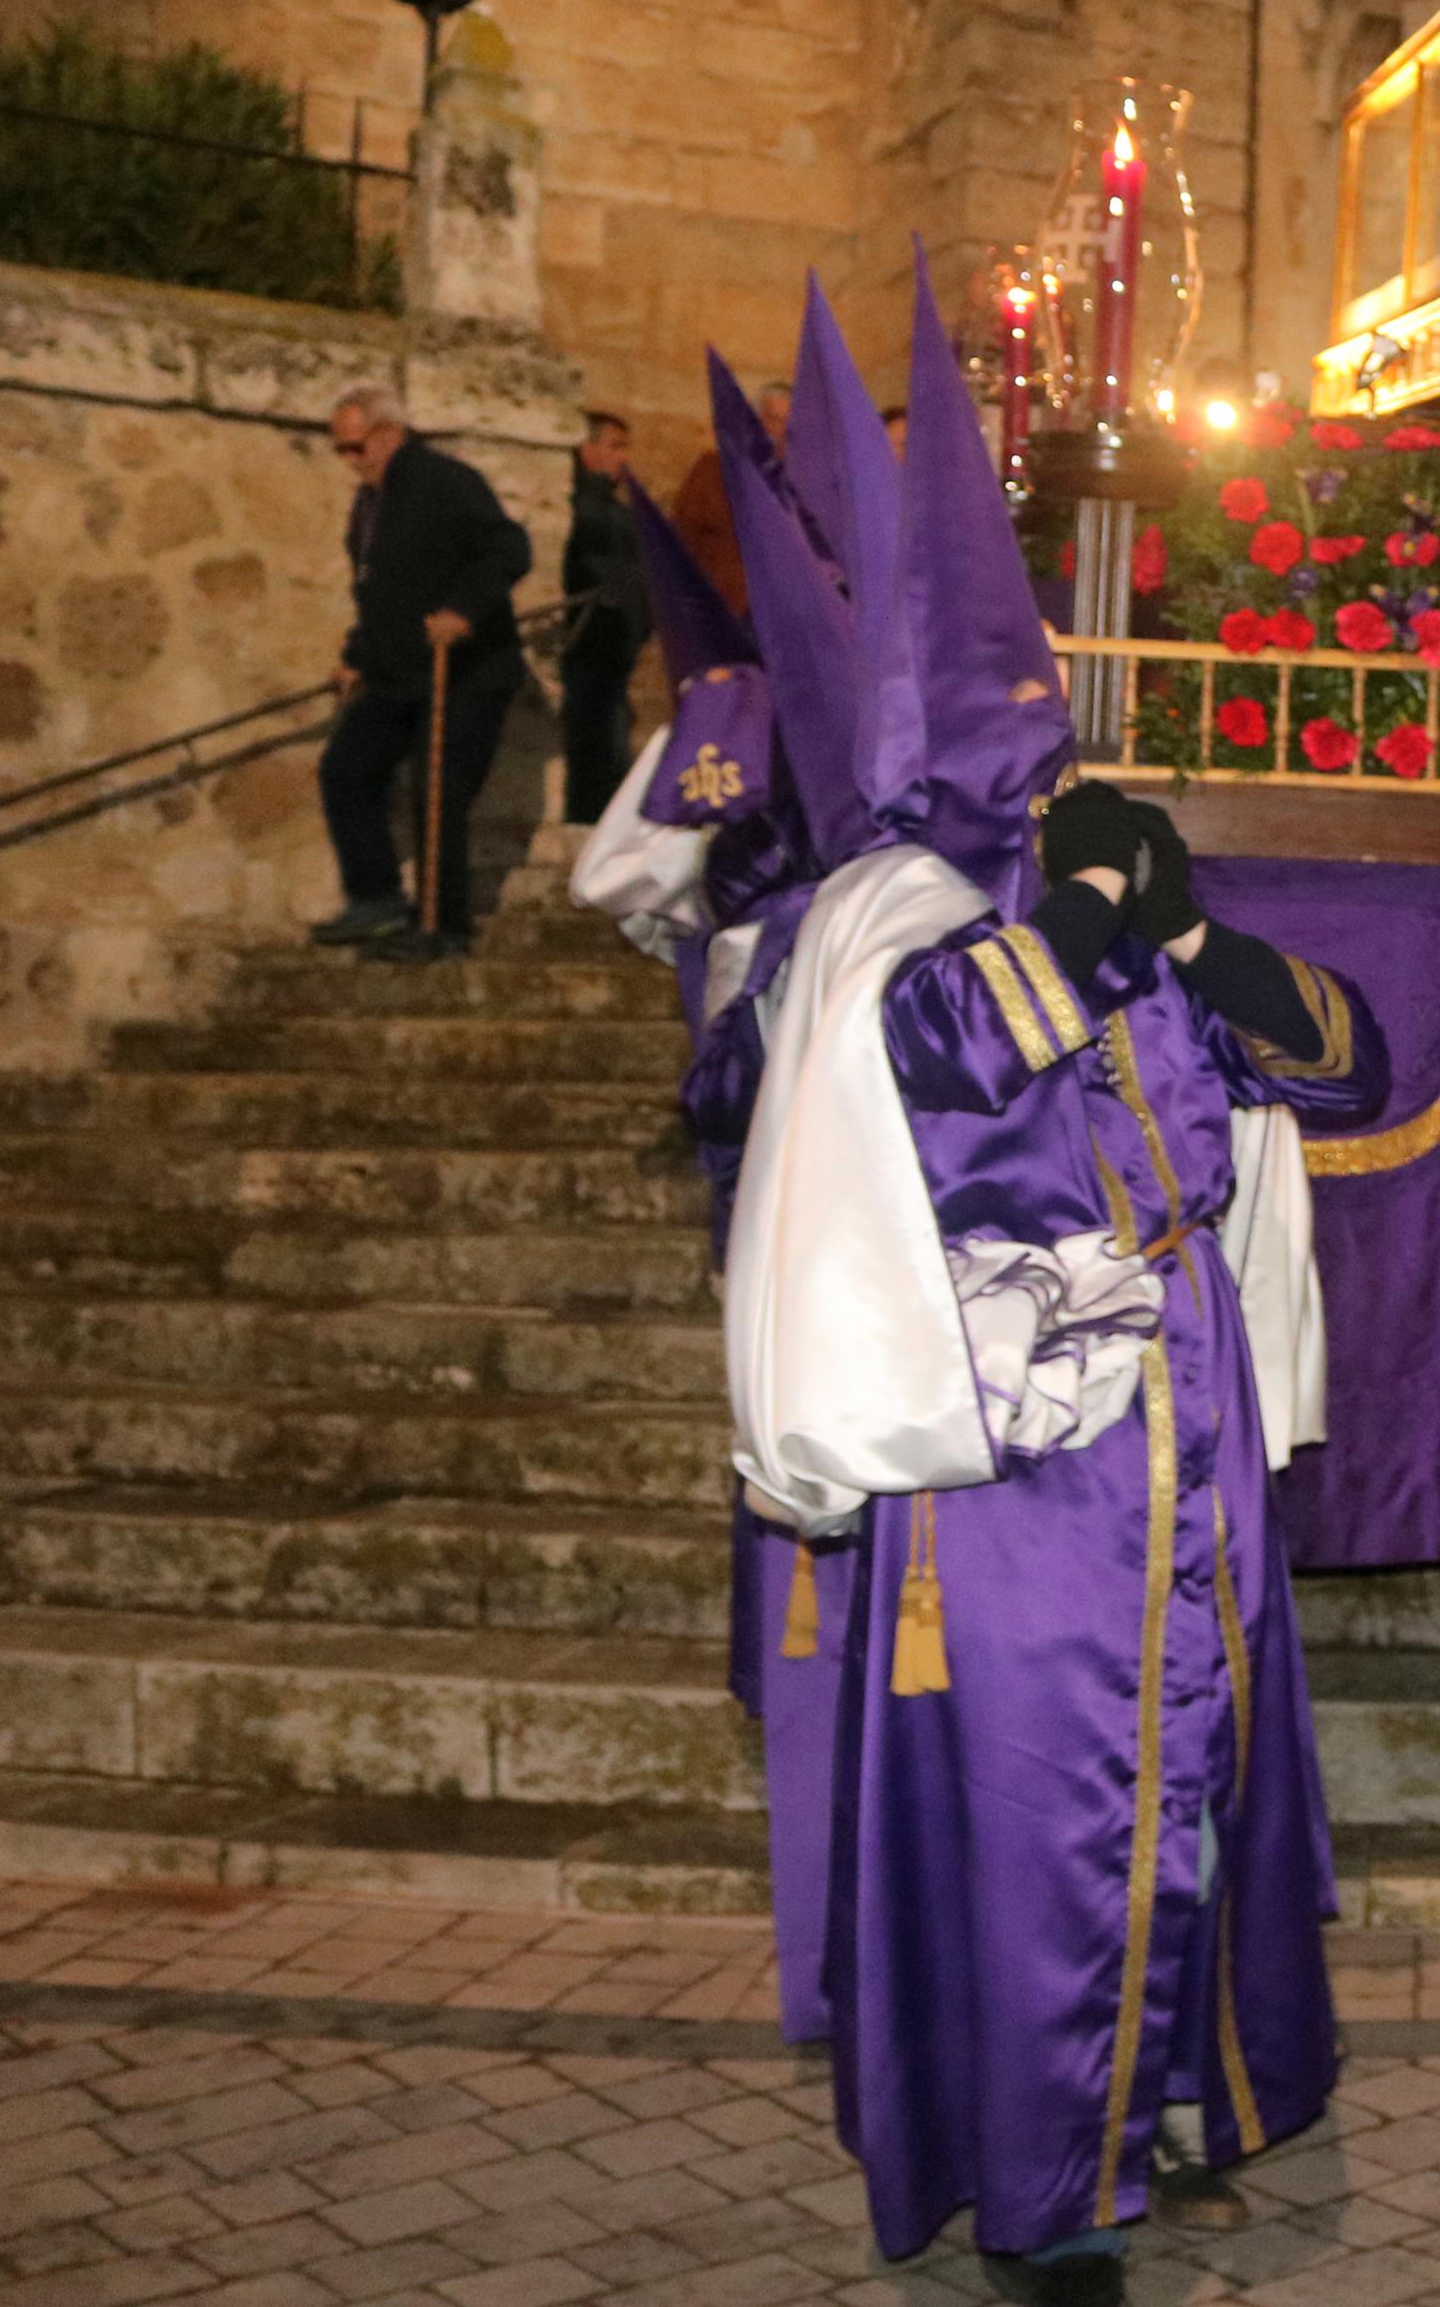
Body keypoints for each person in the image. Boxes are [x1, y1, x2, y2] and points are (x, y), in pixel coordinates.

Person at [721, 277, 1385, 2304]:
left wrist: (1183, 928)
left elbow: (1341, 1061)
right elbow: (926, 1058)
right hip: (1020, 1457)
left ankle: (1176, 2090)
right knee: (1049, 1810)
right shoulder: (876, 919)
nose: (1028, 730)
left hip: (1187, 1428)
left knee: (1198, 1769)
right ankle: (1047, 2180)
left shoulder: (1101, 877)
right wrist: (1096, 923)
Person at [569, 366, 842, 2037]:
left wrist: (698, 936)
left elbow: (615, 871)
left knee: (780, 1353)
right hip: (891, 1070)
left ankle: (794, 1654)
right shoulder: (877, 694)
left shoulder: (730, 704)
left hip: (771, 1057)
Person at [310, 382, 532, 963]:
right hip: (399, 672)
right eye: (341, 451)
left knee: (438, 790)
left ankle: (445, 926)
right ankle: (378, 898)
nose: (348, 462)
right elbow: (380, 592)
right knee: (346, 768)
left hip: (467, 672)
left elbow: (508, 549)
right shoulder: (370, 504)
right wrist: (355, 657)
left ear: (388, 435)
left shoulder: (446, 482)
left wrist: (463, 609)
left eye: (354, 448)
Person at [559, 410, 652, 826]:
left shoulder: (617, 513)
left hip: (615, 650)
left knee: (611, 750)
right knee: (592, 751)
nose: (622, 459)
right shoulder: (578, 506)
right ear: (587, 450)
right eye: (613, 447)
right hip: (585, 645)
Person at [668, 376, 791, 614]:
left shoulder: (797, 485)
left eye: (788, 424)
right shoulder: (712, 470)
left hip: (780, 616)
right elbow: (683, 538)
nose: (780, 432)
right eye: (773, 420)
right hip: (721, 610)